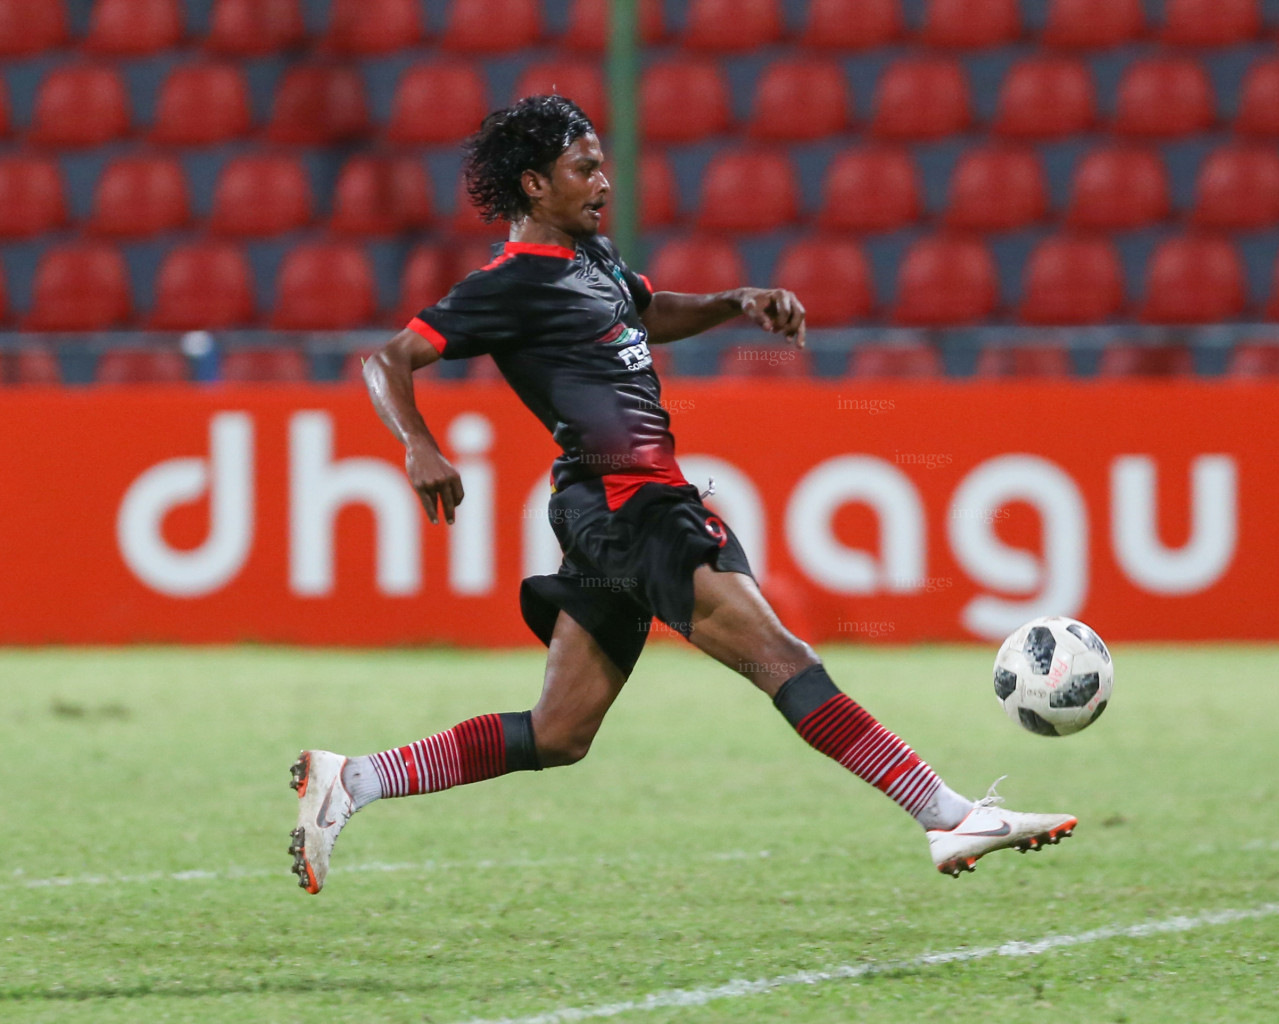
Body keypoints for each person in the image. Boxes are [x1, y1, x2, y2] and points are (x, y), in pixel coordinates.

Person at [287, 96, 1076, 894]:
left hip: (609, 510)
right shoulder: (511, 282)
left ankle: (351, 782)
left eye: (601, 163)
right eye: (583, 167)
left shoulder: (591, 259)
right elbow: (386, 360)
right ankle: (944, 814)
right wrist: (419, 444)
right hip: (634, 505)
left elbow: (647, 311)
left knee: (559, 733)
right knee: (785, 658)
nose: (603, 180)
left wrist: (734, 303)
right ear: (532, 183)